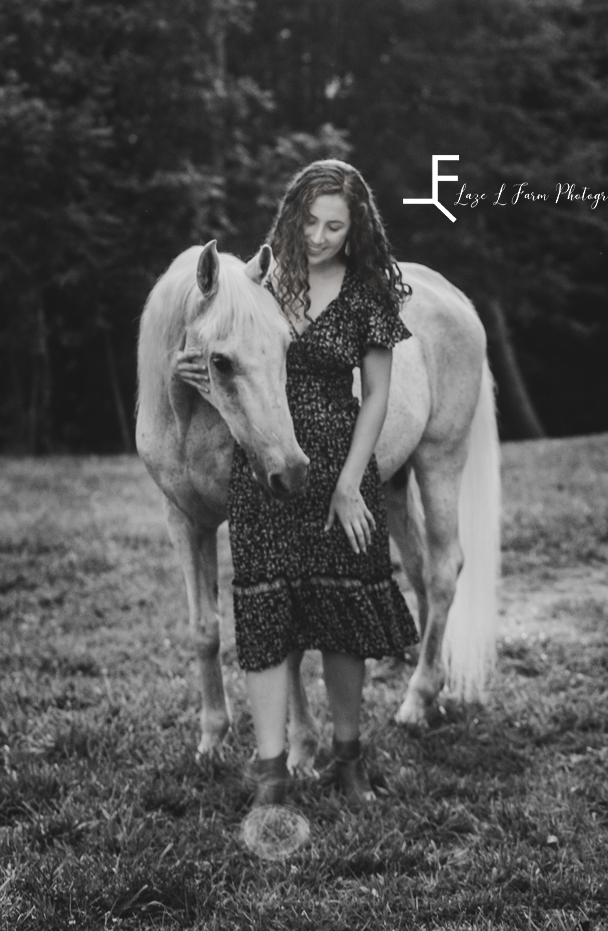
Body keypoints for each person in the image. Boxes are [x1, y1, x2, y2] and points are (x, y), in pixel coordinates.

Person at [177, 160, 418, 806]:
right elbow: (219, 347)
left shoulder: (369, 292)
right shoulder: (260, 286)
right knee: (264, 620)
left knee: (343, 622)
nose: (318, 236)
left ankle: (347, 762)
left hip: (342, 465)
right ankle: (271, 775)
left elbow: (376, 398)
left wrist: (348, 486)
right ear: (291, 217)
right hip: (265, 469)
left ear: (355, 227)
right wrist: (197, 372)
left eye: (334, 226)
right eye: (309, 221)